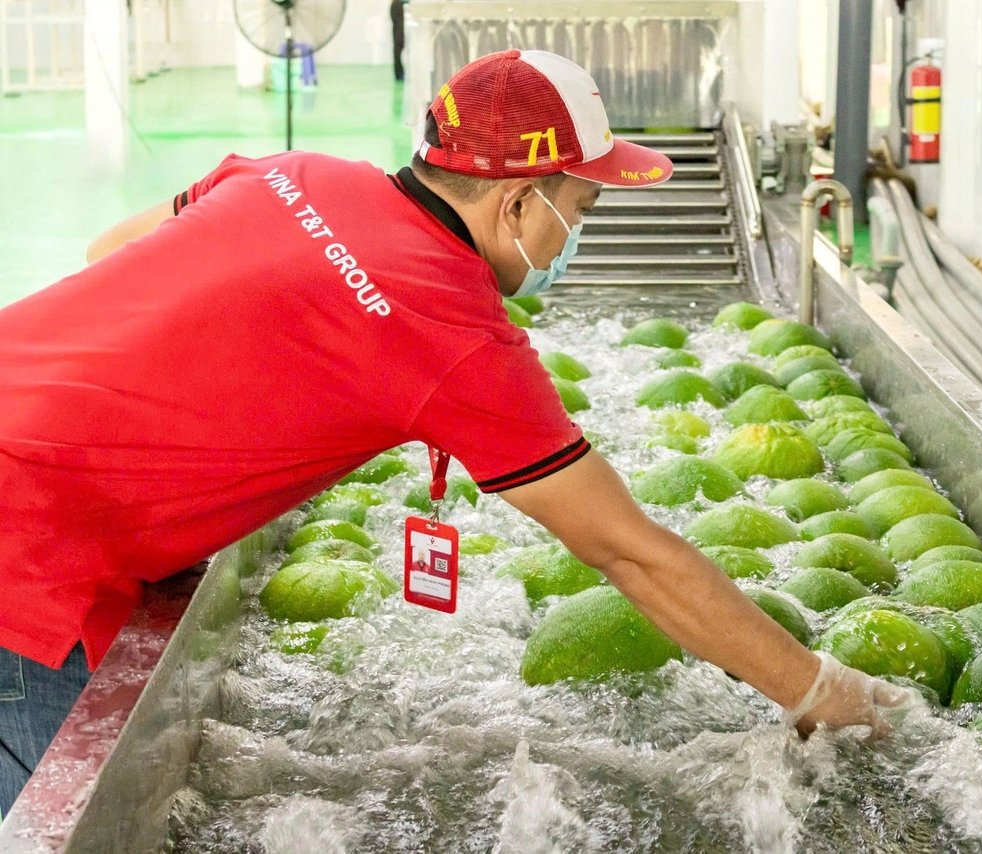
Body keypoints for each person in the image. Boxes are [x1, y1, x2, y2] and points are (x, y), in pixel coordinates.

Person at [0, 49, 912, 816]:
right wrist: (814, 688)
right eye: (576, 214)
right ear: (518, 204)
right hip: (27, 564)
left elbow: (110, 258)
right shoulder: (454, 332)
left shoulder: (297, 172)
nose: (569, 246)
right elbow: (630, 554)